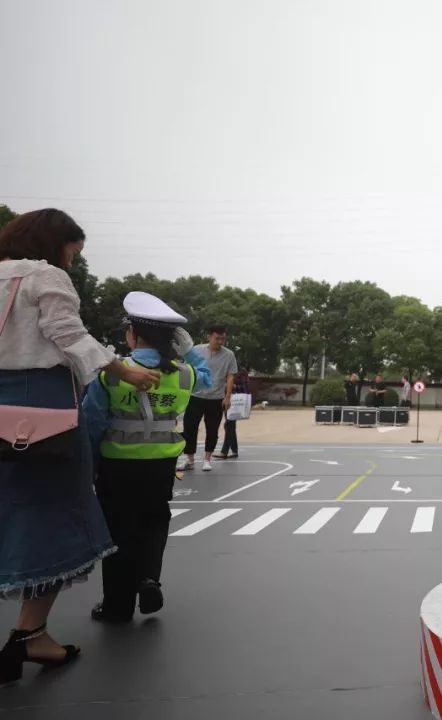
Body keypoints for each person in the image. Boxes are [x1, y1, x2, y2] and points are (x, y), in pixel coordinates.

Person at [0, 209, 160, 684]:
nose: (72, 262)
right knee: (50, 514)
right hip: (41, 410)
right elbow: (68, 335)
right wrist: (125, 369)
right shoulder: (43, 275)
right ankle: (30, 634)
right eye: (73, 251)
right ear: (55, 244)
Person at [82, 292, 211, 622]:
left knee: (119, 533)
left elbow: (91, 423)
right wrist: (191, 351)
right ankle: (149, 578)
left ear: (132, 334)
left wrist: (89, 466)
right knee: (154, 523)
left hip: (117, 465)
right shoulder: (183, 373)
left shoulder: (111, 373)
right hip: (162, 465)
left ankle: (117, 605)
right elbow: (207, 380)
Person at [176, 325, 237, 473]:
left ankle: (207, 459)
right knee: (190, 427)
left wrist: (227, 397)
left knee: (212, 429)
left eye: (223, 339)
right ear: (209, 337)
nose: (220, 341)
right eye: (217, 338)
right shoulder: (196, 350)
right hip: (195, 396)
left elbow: (230, 376)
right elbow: (186, 370)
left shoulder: (229, 355)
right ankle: (189, 459)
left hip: (216, 398)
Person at [216, 365, 249, 459]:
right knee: (230, 425)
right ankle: (234, 451)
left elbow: (244, 387)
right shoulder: (224, 369)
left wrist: (231, 386)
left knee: (229, 424)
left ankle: (224, 452)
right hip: (223, 399)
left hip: (235, 401)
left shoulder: (241, 371)